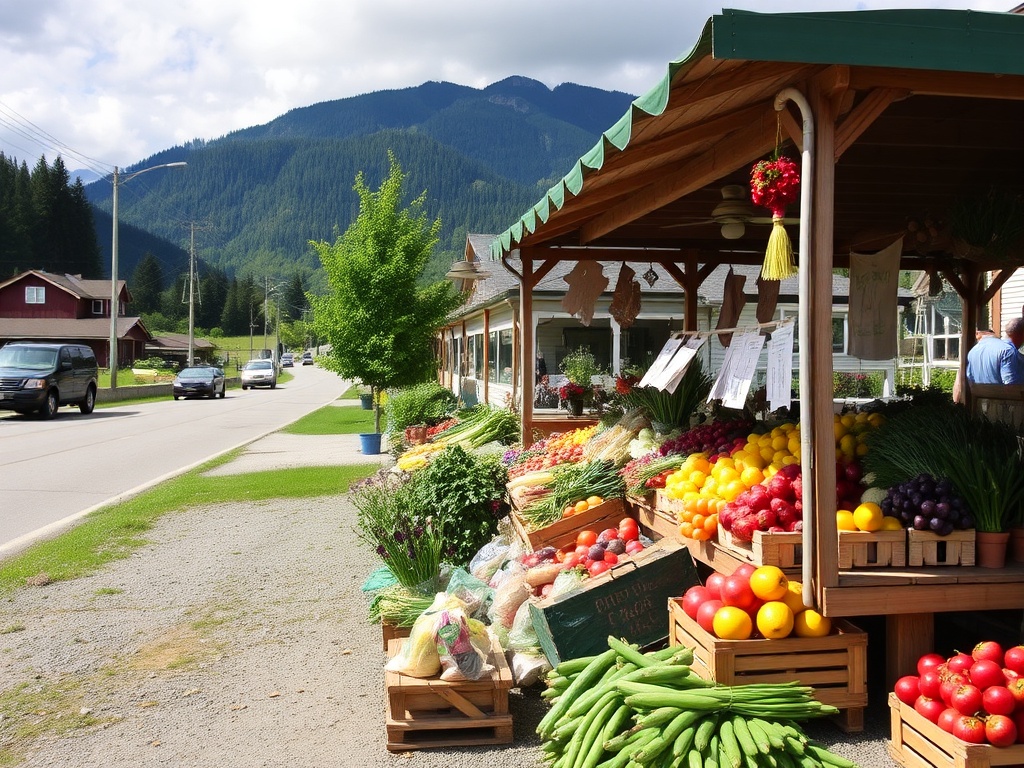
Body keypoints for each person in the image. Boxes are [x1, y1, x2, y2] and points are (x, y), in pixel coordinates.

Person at [965, 318, 1024, 385]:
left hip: (979, 394)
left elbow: (970, 378)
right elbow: (1010, 383)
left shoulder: (973, 350)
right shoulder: (1008, 351)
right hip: (1000, 395)